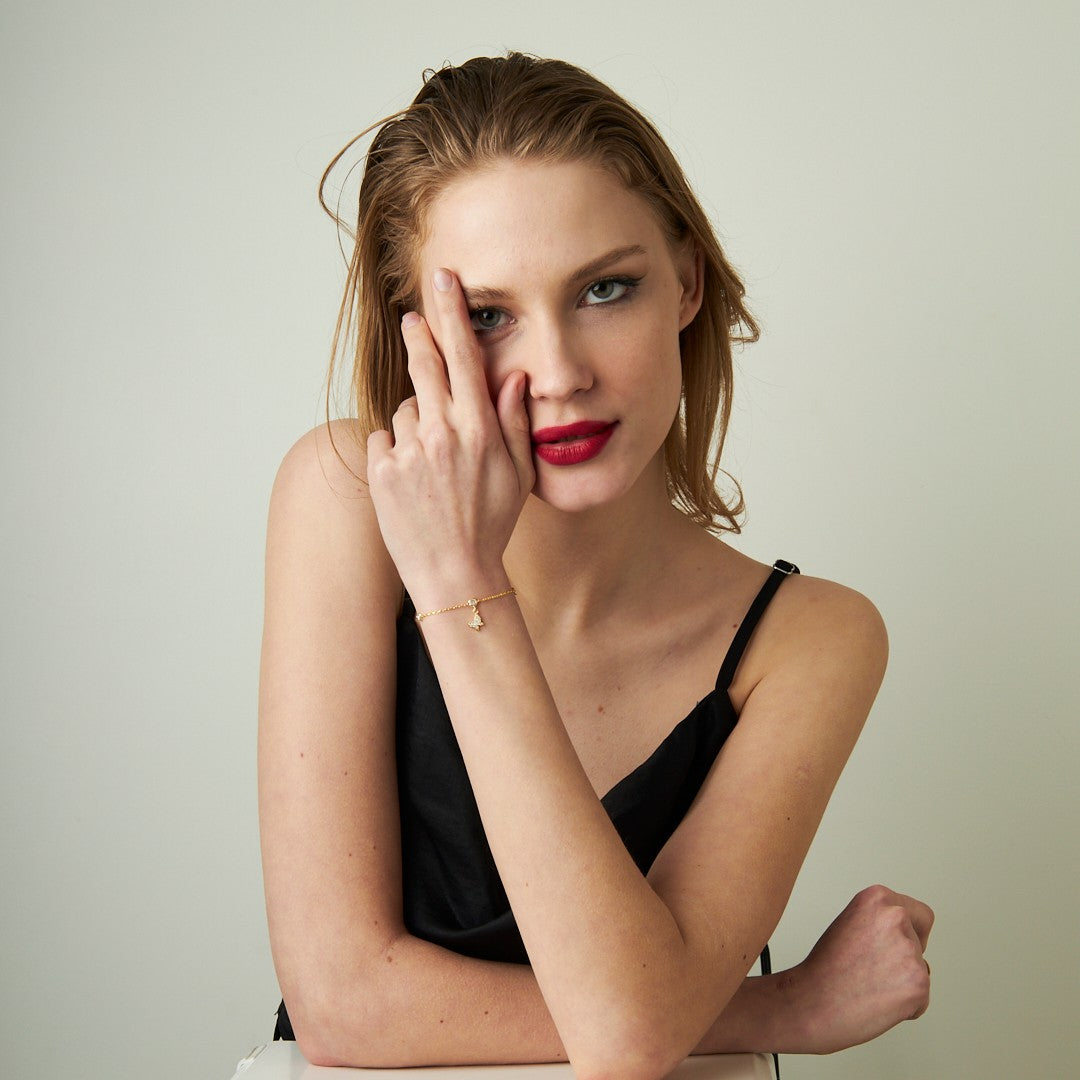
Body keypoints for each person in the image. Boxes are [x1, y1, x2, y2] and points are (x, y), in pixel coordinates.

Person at [258, 53, 933, 1078]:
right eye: (488, 316)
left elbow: (630, 1040)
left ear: (688, 284)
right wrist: (779, 1006)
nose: (562, 375)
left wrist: (462, 593)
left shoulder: (815, 638)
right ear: (418, 341)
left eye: (605, 289)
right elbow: (343, 1009)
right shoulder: (342, 498)